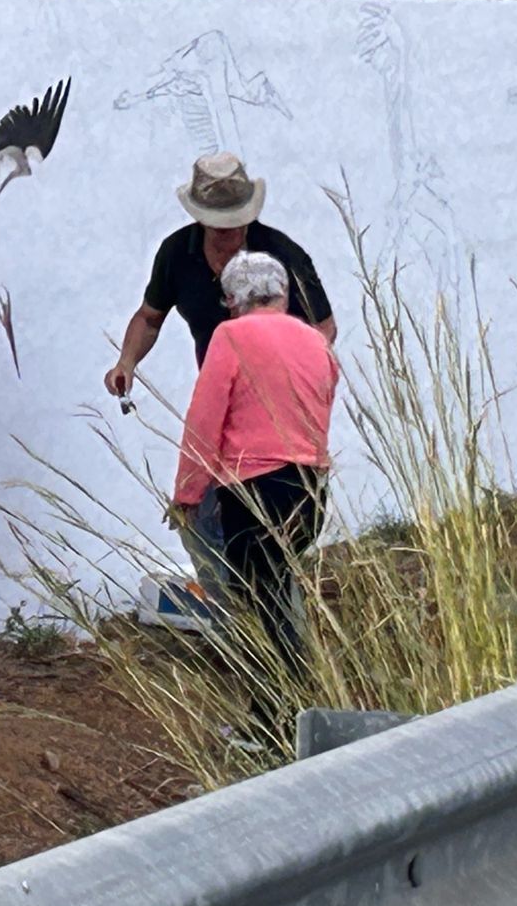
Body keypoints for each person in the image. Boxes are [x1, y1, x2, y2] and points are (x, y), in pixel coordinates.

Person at [103, 151, 336, 601]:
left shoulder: (282, 254)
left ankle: (248, 623)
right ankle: (247, 616)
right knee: (232, 534)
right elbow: (150, 317)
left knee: (233, 527)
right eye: (218, 225)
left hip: (273, 415)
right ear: (201, 219)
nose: (229, 234)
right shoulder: (177, 254)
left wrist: (284, 378)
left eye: (236, 223)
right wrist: (126, 363)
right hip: (222, 396)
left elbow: (323, 330)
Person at [171, 251, 340, 732]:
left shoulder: (230, 336)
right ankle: (293, 711)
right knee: (279, 590)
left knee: (259, 605)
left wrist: (187, 492)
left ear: (231, 300)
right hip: (310, 488)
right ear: (283, 295)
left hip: (254, 490)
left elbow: (204, 421)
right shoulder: (316, 341)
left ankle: (274, 720)